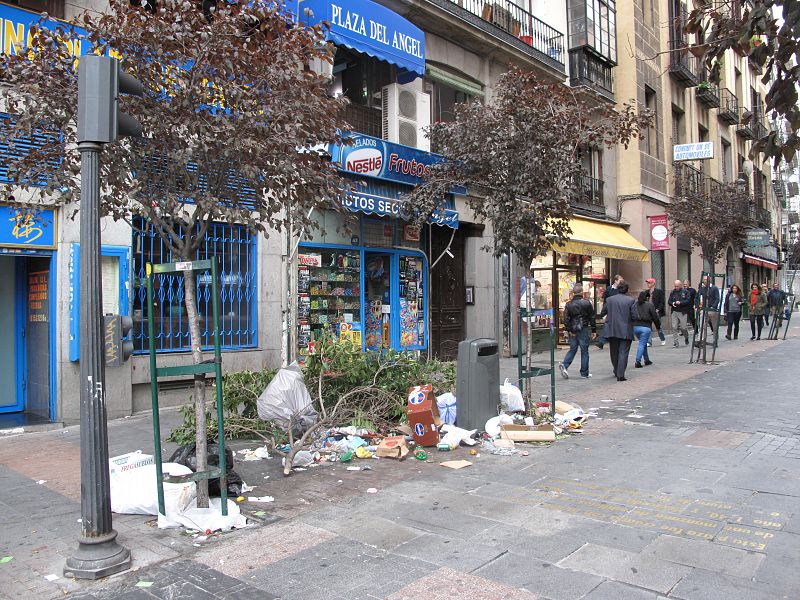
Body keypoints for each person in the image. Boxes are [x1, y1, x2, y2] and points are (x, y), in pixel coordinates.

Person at [558, 284, 597, 380]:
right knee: (584, 351)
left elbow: (566, 319)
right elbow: (592, 317)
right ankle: (584, 373)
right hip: (583, 328)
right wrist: (594, 330)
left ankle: (565, 365)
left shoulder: (568, 304)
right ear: (581, 291)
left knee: (573, 348)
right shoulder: (587, 303)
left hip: (573, 329)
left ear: (573, 292)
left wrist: (568, 329)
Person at [604, 282, 635, 381]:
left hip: (612, 328)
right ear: (627, 290)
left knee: (614, 351)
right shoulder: (631, 300)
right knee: (623, 352)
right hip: (625, 329)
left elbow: (602, 312)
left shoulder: (609, 300)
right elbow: (634, 315)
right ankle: (620, 373)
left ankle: (616, 369)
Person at [632, 290, 661, 368]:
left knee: (643, 343)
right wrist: (658, 327)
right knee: (642, 344)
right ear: (647, 297)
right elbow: (655, 317)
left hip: (635, 327)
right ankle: (637, 361)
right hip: (645, 327)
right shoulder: (649, 305)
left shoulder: (634, 304)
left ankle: (647, 360)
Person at [596, 274, 623, 350]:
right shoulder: (609, 289)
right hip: (610, 310)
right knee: (607, 325)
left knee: (612, 326)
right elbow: (605, 300)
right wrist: (604, 311)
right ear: (616, 281)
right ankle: (601, 341)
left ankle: (605, 340)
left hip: (618, 310)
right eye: (620, 280)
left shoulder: (621, 289)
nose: (621, 282)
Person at [696, 275, 721, 347]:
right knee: (702, 326)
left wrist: (713, 306)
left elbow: (717, 298)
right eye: (704, 279)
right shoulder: (702, 289)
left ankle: (715, 341)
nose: (704, 281)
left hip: (712, 310)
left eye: (706, 279)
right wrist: (698, 306)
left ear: (709, 280)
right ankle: (701, 340)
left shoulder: (714, 288)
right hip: (704, 309)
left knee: (714, 326)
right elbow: (698, 297)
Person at [668, 279, 691, 347]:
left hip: (682, 311)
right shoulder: (672, 292)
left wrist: (680, 302)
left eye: (677, 286)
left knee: (683, 328)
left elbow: (688, 301)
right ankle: (676, 342)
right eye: (675, 286)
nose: (676, 288)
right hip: (674, 311)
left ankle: (686, 337)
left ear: (680, 285)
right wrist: (673, 303)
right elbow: (669, 301)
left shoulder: (685, 292)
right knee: (674, 327)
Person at [645, 277, 666, 345]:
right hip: (648, 312)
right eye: (647, 283)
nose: (648, 284)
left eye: (649, 283)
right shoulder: (646, 292)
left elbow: (662, 302)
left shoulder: (659, 291)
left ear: (653, 283)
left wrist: (658, 309)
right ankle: (649, 341)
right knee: (648, 327)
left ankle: (662, 338)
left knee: (658, 326)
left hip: (656, 312)